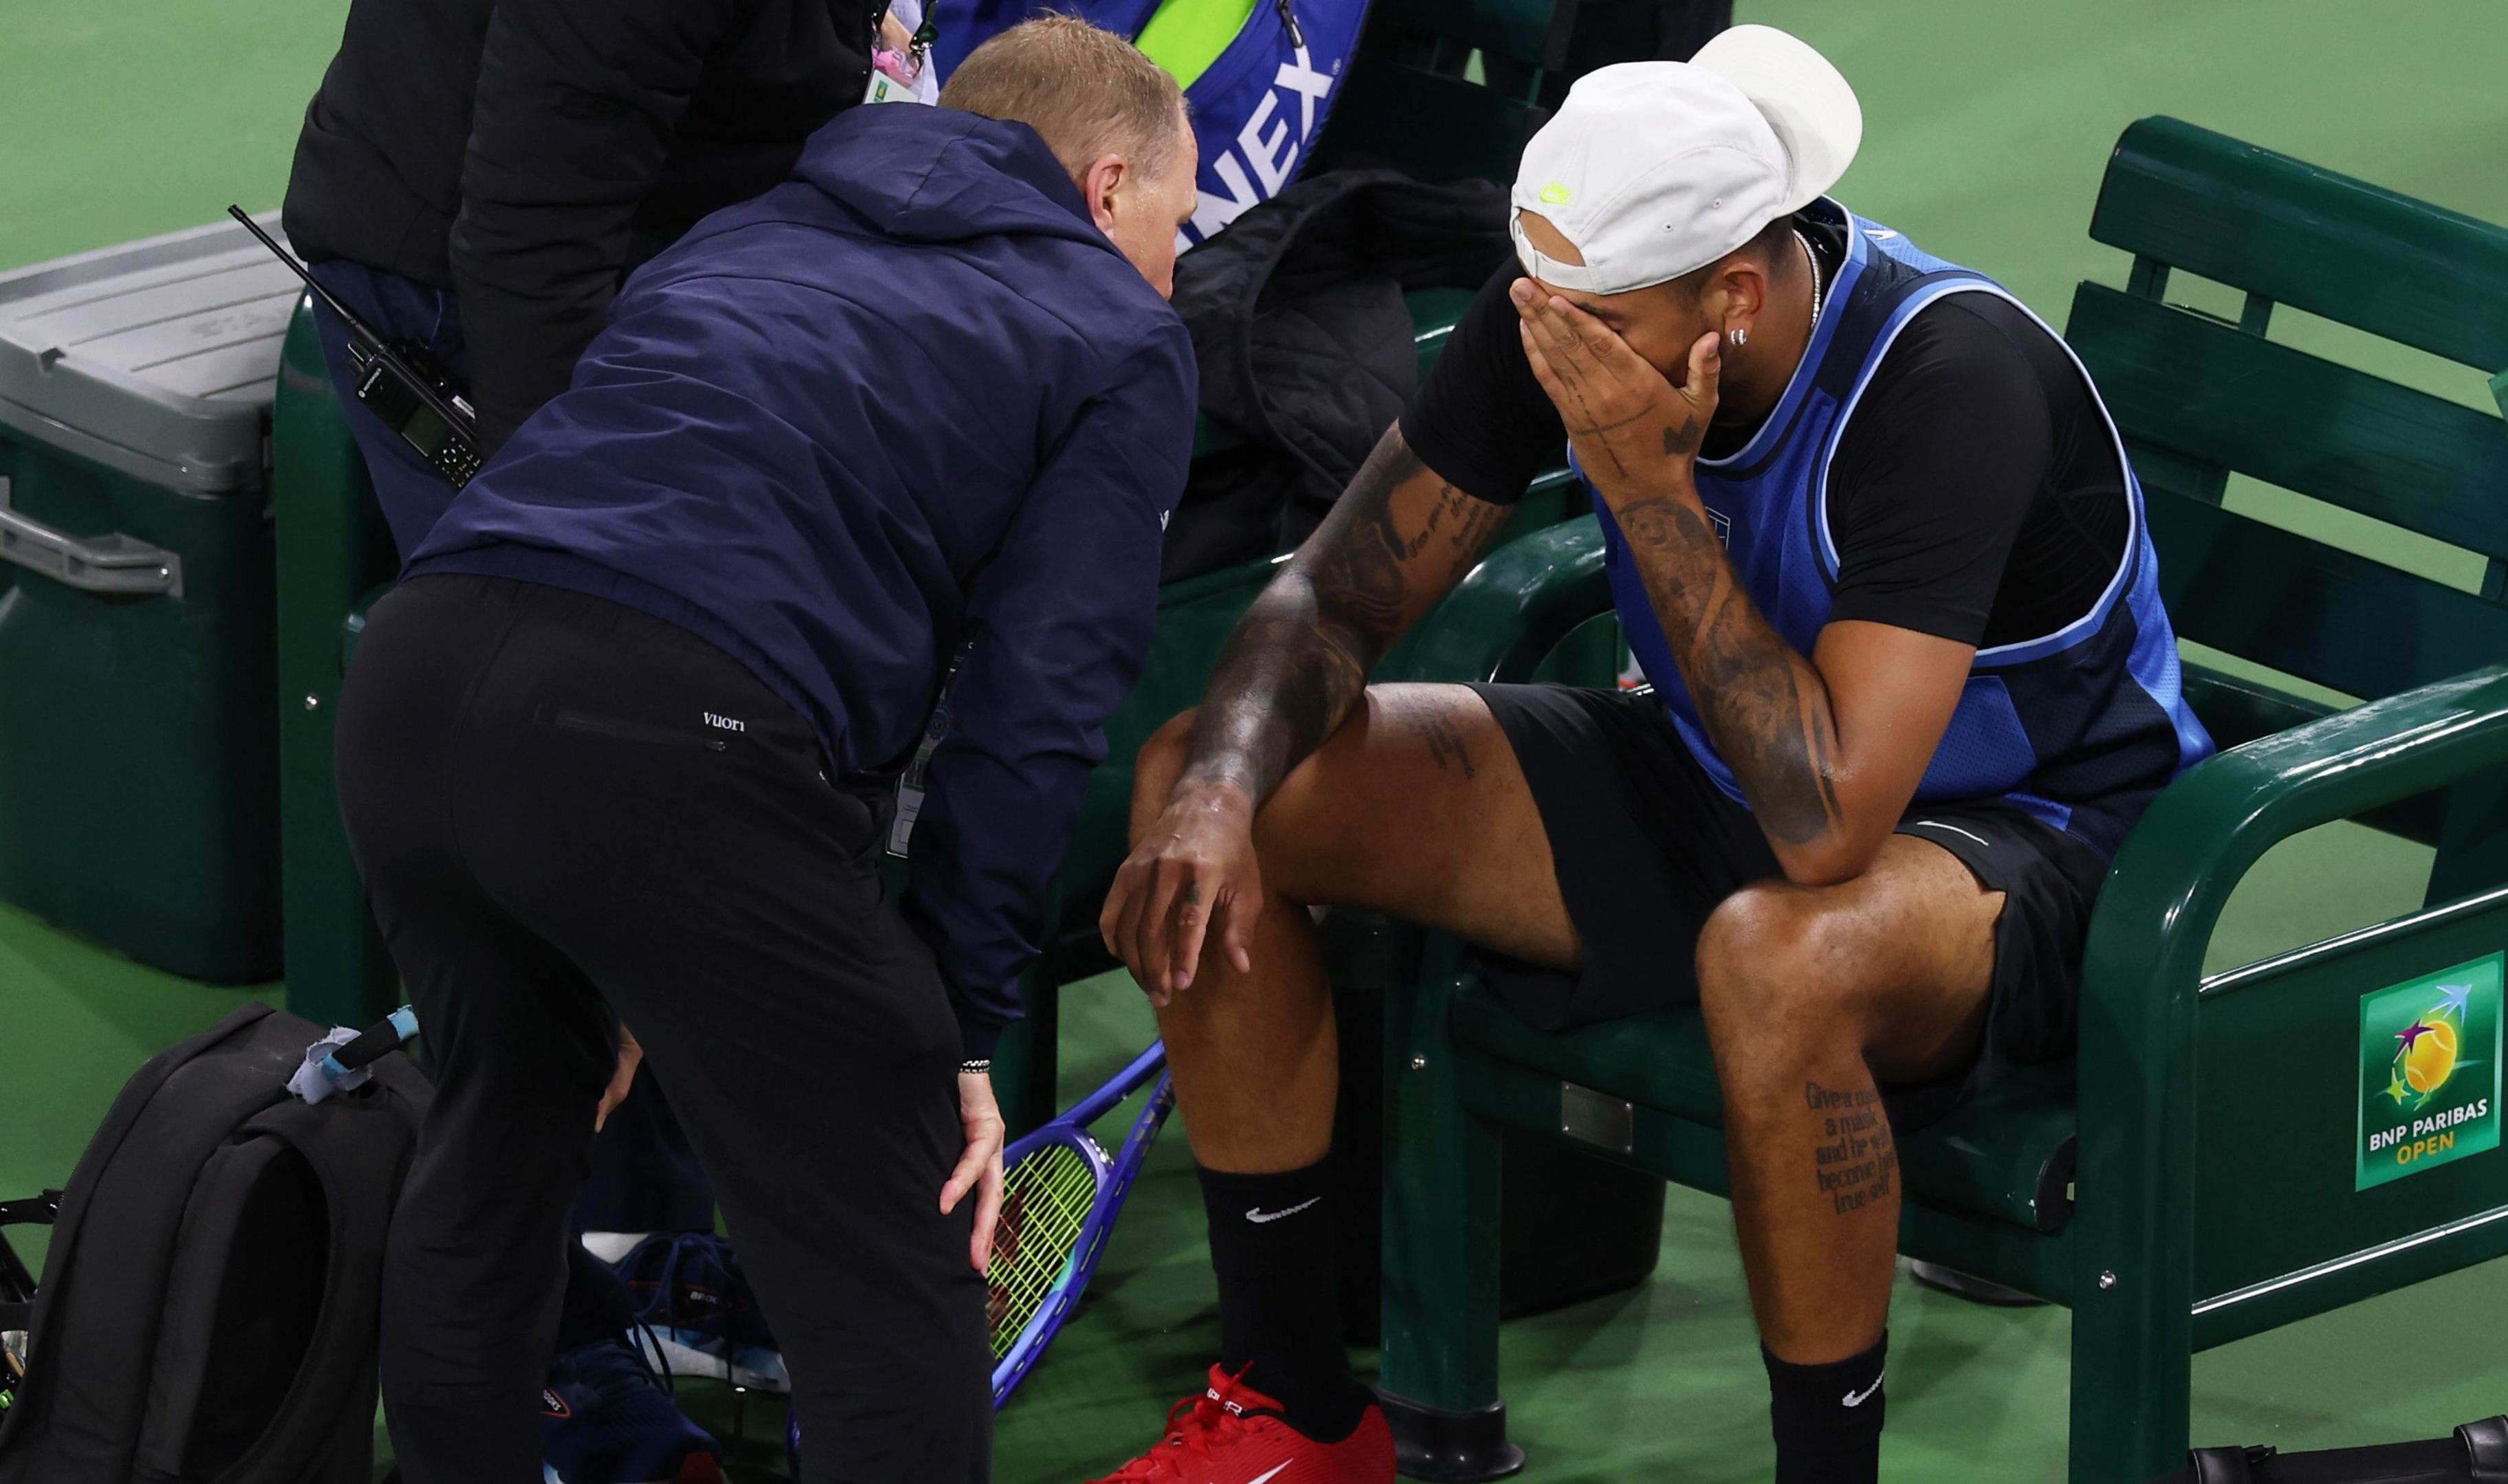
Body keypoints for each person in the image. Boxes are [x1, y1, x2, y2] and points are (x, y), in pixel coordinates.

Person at [1095, 24, 2212, 1484]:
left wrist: (1646, 488)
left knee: (1778, 952)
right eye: (1539, 311)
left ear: (1734, 298)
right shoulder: (1578, 304)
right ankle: (1294, 1410)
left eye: (1589, 330)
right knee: (1214, 772)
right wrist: (1220, 795)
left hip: (2042, 845)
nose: (1547, 353)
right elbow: (1330, 597)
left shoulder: (1951, 386)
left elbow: (1825, 825)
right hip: (1726, 770)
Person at [331, 17, 1200, 1483]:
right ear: (1106, 189)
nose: (1184, 271)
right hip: (667, 747)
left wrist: (617, 902)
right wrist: (958, 1019)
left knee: (493, 1156)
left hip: (417, 688)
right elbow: (1037, 706)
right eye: (1181, 226)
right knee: (897, 1284)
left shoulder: (746, 233)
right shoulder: (1119, 339)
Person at [280, 0, 885, 555]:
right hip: (478, 290)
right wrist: (561, 531)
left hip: (617, 236)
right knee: (554, 628)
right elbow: (532, 240)